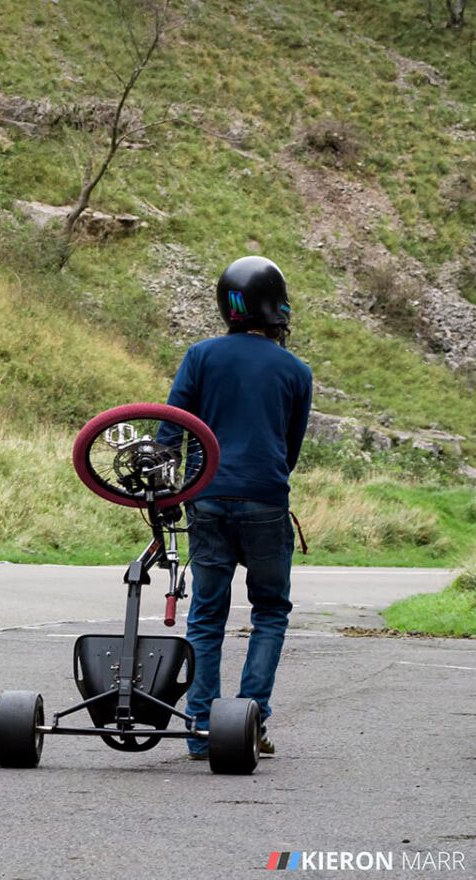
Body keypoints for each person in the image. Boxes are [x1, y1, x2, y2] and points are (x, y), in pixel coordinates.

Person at [166, 256, 312, 760]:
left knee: (206, 615)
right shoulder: (296, 370)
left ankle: (202, 729)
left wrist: (175, 488)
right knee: (270, 611)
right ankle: (249, 722)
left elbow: (172, 426)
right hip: (266, 501)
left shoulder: (201, 356)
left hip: (205, 498)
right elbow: (288, 450)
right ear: (276, 306)